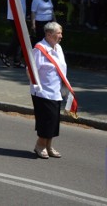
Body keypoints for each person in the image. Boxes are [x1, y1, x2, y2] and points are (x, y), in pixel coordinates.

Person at [31, 22, 74, 159]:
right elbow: (30, 70)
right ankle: (39, 145)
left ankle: (48, 146)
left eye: (61, 33)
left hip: (56, 91)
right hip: (43, 92)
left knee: (54, 121)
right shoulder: (39, 49)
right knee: (46, 121)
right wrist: (35, 84)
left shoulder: (58, 48)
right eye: (58, 33)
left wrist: (64, 86)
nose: (61, 36)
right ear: (49, 34)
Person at [0, 0, 28, 68]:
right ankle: (6, 54)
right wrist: (18, 16)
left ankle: (17, 60)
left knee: (20, 38)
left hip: (19, 16)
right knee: (18, 38)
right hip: (15, 17)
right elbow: (14, 3)